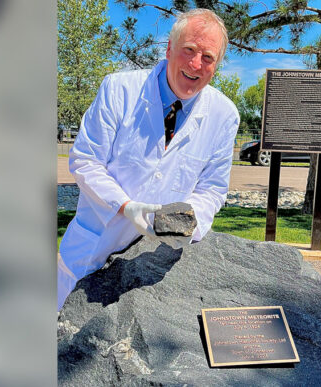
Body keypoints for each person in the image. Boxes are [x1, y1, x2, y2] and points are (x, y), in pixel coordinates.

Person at [57, 9, 240, 310]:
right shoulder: (119, 90)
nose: (196, 64)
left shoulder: (224, 115)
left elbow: (212, 190)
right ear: (169, 48)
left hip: (152, 262)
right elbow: (85, 160)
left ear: (217, 65)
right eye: (189, 50)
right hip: (92, 249)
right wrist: (126, 207)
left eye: (208, 57)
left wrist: (189, 222)